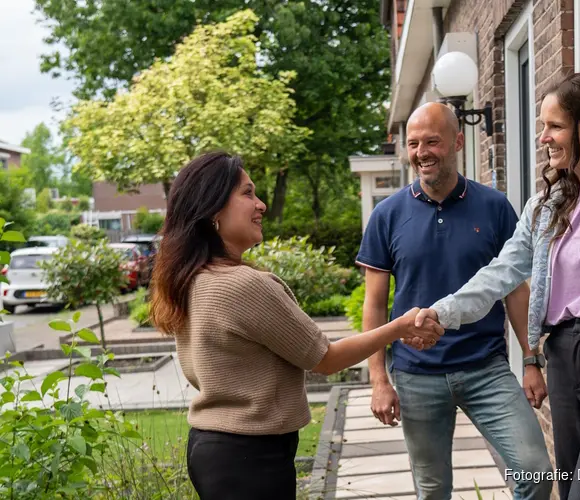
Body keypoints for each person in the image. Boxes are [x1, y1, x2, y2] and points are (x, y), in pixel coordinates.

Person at [414, 73, 580, 500]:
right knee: (570, 490)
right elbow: (500, 273)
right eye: (542, 127)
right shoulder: (545, 207)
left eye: (554, 126)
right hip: (564, 358)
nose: (544, 138)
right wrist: (443, 312)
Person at [149, 151, 445, 500]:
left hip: (212, 448)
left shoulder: (191, 278)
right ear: (213, 210)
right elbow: (325, 359)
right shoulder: (243, 285)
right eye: (247, 193)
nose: (260, 205)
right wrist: (400, 326)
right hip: (251, 457)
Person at [356, 102, 553, 500]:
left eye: (432, 141)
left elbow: (515, 289)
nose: (421, 152)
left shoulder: (494, 207)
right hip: (416, 375)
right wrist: (379, 380)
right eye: (413, 143)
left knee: (534, 471)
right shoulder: (387, 215)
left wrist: (531, 360)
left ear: (458, 142)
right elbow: (375, 305)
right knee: (433, 491)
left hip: (486, 369)